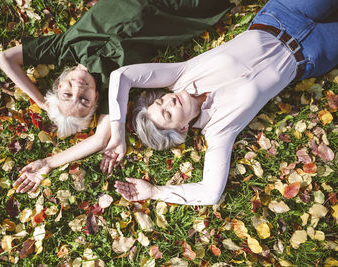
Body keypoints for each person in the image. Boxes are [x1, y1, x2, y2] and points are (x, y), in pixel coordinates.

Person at [103, 0, 338, 205]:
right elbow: (210, 192)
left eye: (160, 101)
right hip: (312, 52)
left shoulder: (180, 75)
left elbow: (122, 76)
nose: (168, 101)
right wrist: (155, 192)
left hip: (283, 13)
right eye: (167, 113)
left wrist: (118, 133)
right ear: (182, 129)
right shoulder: (219, 131)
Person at [0, 0, 232, 193]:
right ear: (97, 98)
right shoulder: (113, 82)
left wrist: (40, 102)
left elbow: (4, 59)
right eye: (84, 100)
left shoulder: (63, 46)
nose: (78, 89)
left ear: (58, 85)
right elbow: (100, 140)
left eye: (67, 94)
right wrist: (48, 163)